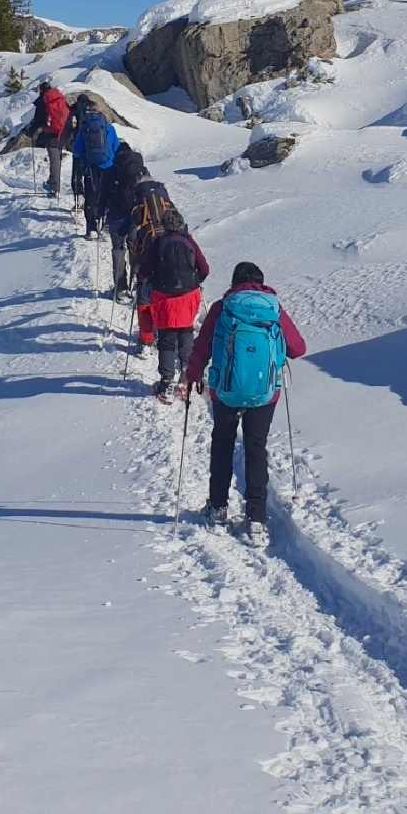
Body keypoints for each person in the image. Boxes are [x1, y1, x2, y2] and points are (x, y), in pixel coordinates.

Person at [182, 262, 308, 540]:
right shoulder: (273, 308)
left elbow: (202, 346)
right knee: (255, 446)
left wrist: (191, 376)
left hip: (225, 388)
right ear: (261, 283)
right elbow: (298, 348)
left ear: (235, 281)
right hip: (264, 391)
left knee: (223, 443)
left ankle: (217, 508)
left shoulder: (222, 307)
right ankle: (257, 519)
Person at [139, 209, 208, 401]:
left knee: (167, 339)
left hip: (164, 298)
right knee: (186, 332)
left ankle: (166, 383)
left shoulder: (158, 243)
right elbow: (204, 269)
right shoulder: (189, 242)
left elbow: (144, 271)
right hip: (188, 297)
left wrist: (146, 281)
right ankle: (187, 373)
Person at [124, 170, 176, 347]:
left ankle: (146, 338)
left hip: (147, 253)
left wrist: (134, 255)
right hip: (169, 252)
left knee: (144, 296)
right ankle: (168, 332)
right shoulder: (166, 201)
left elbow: (131, 236)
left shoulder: (138, 202)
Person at [99, 143, 147, 298]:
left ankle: (120, 288)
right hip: (136, 217)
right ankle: (138, 284)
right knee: (136, 248)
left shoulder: (109, 172)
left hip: (116, 218)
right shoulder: (141, 170)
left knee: (118, 250)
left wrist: (99, 213)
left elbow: (102, 195)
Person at [70, 98, 120, 236]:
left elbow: (77, 150)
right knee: (106, 195)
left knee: (91, 196)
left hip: (90, 168)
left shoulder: (84, 127)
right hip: (108, 167)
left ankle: (91, 227)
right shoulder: (109, 128)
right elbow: (116, 148)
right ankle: (103, 223)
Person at [23, 78, 71, 196]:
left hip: (51, 133)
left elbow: (38, 119)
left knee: (54, 159)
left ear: (41, 91)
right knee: (57, 159)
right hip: (62, 132)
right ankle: (53, 183)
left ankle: (54, 186)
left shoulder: (44, 101)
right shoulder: (59, 97)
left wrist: (31, 132)